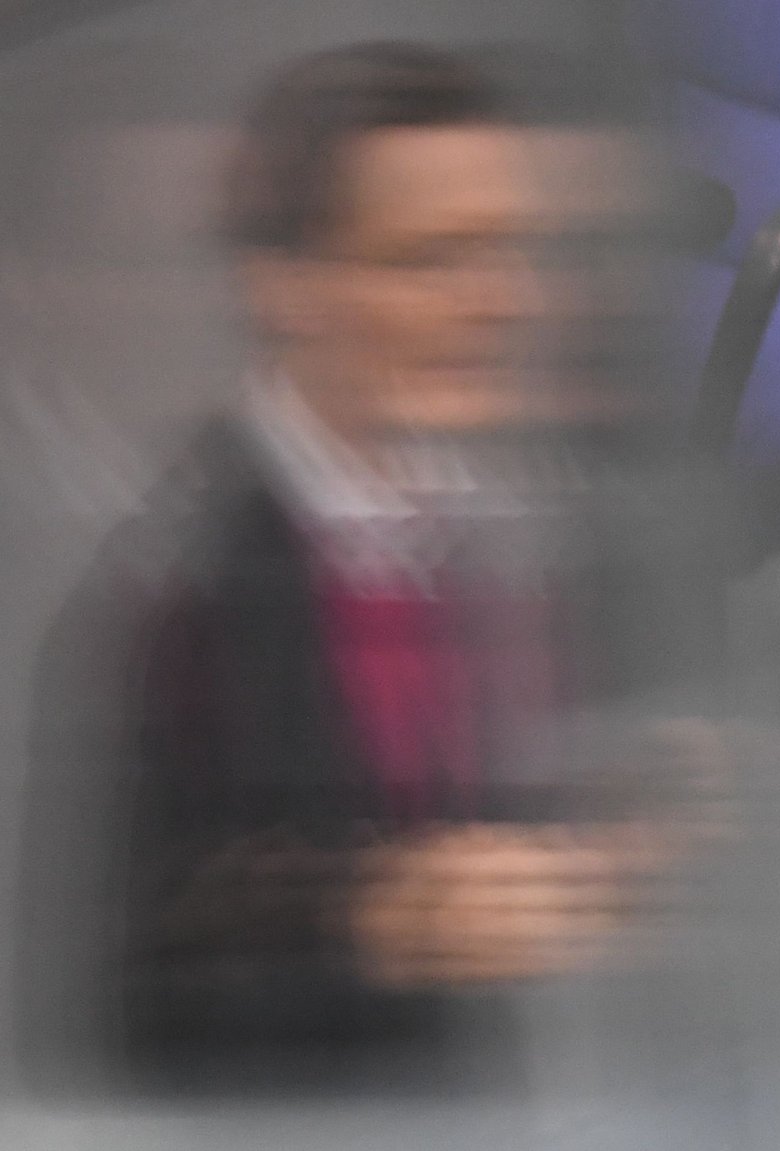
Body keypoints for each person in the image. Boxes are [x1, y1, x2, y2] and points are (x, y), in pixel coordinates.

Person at [14, 41, 733, 1103]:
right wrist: (371, 920)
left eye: (513, 253)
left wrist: (641, 820)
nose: (502, 303)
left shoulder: (562, 525)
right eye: (433, 259)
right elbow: (103, 1000)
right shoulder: (163, 603)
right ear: (287, 288)